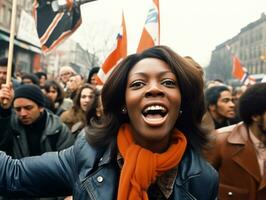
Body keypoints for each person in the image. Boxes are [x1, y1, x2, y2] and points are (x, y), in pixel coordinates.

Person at [0, 46, 218, 200]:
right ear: (123, 103)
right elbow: (13, 176)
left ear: (182, 103)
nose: (154, 89)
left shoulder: (203, 179)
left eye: (168, 82)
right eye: (138, 83)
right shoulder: (88, 154)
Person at [207, 83, 266, 199]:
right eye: (225, 100)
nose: (231, 105)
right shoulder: (220, 141)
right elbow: (198, 187)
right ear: (255, 116)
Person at [0, 84, 74, 158]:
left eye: (28, 108)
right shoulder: (12, 126)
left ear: (41, 107)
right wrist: (4, 110)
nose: (23, 114)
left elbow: (67, 162)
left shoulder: (58, 130)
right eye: (18, 109)